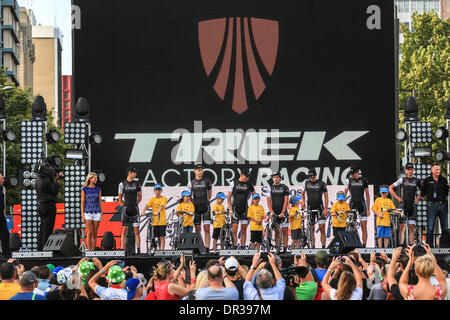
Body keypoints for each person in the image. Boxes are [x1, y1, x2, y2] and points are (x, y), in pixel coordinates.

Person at [389, 163, 422, 246]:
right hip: (403, 205)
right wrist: (398, 198)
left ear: (413, 170)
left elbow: (423, 190)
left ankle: (411, 247)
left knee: (411, 227)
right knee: (402, 227)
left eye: (411, 169)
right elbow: (390, 188)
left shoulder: (417, 180)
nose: (410, 171)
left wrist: (418, 198)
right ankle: (401, 246)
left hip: (412, 205)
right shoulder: (402, 179)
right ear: (406, 170)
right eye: (408, 169)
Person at [36, 165, 64, 251]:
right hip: (48, 205)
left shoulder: (38, 179)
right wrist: (58, 181)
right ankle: (46, 249)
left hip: (41, 205)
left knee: (42, 228)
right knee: (47, 228)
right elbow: (54, 191)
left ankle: (40, 248)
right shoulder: (47, 180)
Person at [421, 163, 449, 247]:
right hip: (431, 205)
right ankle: (430, 246)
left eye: (439, 169)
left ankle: (446, 246)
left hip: (442, 205)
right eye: (436, 169)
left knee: (445, 227)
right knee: (430, 227)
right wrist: (430, 201)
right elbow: (423, 193)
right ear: (432, 170)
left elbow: (446, 193)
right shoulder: (427, 180)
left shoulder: (444, 180)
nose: (438, 171)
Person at [188, 163, 213, 252]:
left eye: (202, 170)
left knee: (207, 229)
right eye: (199, 170)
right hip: (196, 208)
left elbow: (210, 192)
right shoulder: (191, 182)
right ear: (195, 171)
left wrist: (207, 201)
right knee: (197, 229)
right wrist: (193, 202)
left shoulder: (207, 181)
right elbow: (188, 195)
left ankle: (207, 248)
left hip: (206, 207)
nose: (200, 172)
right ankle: (199, 247)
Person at [301, 168, 328, 249]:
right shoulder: (305, 182)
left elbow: (326, 196)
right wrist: (303, 203)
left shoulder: (321, 183)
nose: (312, 178)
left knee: (322, 228)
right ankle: (313, 247)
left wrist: (325, 209)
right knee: (311, 229)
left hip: (319, 207)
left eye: (313, 176)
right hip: (310, 207)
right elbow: (302, 194)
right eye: (310, 177)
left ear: (316, 175)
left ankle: (323, 247)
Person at [227, 169, 255, 249]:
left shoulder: (249, 184)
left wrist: (251, 206)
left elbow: (255, 195)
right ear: (242, 175)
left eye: (248, 177)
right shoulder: (233, 183)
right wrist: (230, 209)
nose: (248, 178)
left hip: (245, 209)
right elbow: (228, 197)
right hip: (235, 208)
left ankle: (242, 246)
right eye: (246, 176)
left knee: (244, 229)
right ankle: (235, 245)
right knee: (234, 228)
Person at [344, 166, 371, 247]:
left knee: (364, 226)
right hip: (352, 205)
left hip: (362, 205)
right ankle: (352, 244)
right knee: (352, 226)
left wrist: (368, 209)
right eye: (350, 174)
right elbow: (345, 193)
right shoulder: (348, 180)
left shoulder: (364, 180)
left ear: (357, 172)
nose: (351, 175)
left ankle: (364, 245)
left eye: (353, 173)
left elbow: (367, 194)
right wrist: (344, 206)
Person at [118, 167, 142, 254]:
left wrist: (135, 205)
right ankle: (121, 249)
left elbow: (140, 197)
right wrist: (124, 206)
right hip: (126, 209)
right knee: (124, 230)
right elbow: (120, 198)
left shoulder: (137, 183)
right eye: (134, 173)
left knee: (136, 231)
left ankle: (138, 250)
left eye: (136, 173)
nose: (135, 174)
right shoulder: (122, 184)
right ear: (129, 173)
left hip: (135, 209)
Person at [267, 172, 290, 253]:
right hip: (275, 212)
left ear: (280, 178)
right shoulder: (270, 188)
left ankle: (284, 249)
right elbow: (269, 201)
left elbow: (286, 201)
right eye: (274, 177)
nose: (275, 179)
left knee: (285, 231)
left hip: (283, 212)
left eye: (277, 177)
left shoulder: (285, 187)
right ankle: (277, 248)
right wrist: (271, 211)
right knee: (276, 231)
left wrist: (283, 212)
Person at [81, 172, 103, 251]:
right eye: (95, 178)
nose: (96, 179)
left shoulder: (98, 189)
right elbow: (82, 202)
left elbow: (100, 201)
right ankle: (89, 251)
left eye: (97, 178)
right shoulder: (84, 189)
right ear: (90, 179)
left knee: (94, 233)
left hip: (97, 212)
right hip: (87, 212)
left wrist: (101, 214)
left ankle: (93, 251)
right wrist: (82, 215)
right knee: (89, 233)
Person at [141, 185, 168, 250]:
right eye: (156, 190)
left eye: (159, 190)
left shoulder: (164, 198)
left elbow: (161, 206)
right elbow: (147, 205)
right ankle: (159, 250)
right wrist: (143, 211)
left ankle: (162, 251)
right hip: (154, 221)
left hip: (162, 221)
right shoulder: (152, 199)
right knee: (157, 237)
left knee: (161, 236)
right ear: (154, 191)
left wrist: (157, 212)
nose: (157, 191)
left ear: (161, 191)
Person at [0, 174, 10, 258]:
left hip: (1, 214)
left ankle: (6, 253)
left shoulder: (1, 189)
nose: (3, 180)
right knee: (4, 234)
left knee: (5, 234)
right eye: (1, 178)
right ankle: (6, 254)